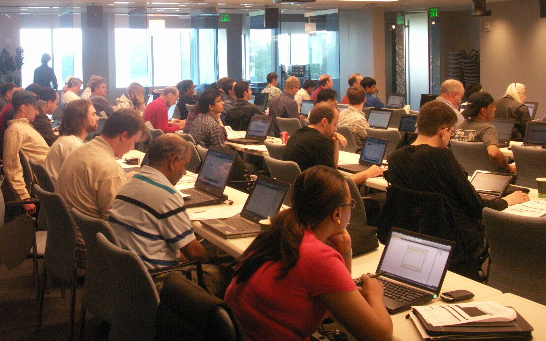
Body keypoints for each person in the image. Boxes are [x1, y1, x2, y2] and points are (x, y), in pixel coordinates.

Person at [225, 165, 393, 341]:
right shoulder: (319, 257)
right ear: (337, 213)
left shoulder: (279, 232)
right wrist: (375, 294)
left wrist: (345, 251)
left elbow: (338, 303)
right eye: (350, 204)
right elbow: (381, 336)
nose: (350, 209)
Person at [386, 100, 528, 278]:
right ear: (443, 131)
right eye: (451, 132)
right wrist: (506, 201)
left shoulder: (396, 158)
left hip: (408, 238)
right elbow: (475, 206)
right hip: (452, 241)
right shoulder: (441, 157)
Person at [108, 134, 207, 269]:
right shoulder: (167, 195)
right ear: (173, 161)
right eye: (185, 165)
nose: (184, 172)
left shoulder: (131, 182)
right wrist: (213, 260)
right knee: (220, 271)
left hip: (123, 271)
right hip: (155, 277)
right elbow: (194, 253)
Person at [56, 109, 145, 220]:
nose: (132, 148)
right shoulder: (111, 171)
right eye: (134, 142)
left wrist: (123, 178)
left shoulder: (80, 150)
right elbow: (117, 222)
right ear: (125, 135)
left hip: (66, 225)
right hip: (88, 230)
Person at [284, 102, 382, 184]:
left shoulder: (296, 135)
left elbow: (332, 170)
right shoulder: (321, 143)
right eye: (335, 124)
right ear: (324, 122)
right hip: (316, 198)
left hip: (297, 194)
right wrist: (366, 173)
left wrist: (334, 140)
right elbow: (335, 184)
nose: (335, 129)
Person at [2, 90, 50, 215]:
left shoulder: (24, 127)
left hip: (48, 176)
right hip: (46, 182)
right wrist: (24, 197)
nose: (37, 112)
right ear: (23, 108)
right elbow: (11, 166)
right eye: (34, 108)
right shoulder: (15, 130)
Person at [454, 92, 515, 174]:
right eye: (493, 106)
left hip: (464, 175)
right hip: (487, 177)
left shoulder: (458, 126)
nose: (495, 109)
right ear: (483, 111)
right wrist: (509, 168)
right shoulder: (487, 129)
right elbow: (494, 153)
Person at [44, 99, 98, 183]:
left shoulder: (67, 140)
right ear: (81, 119)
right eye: (93, 115)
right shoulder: (73, 146)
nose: (97, 118)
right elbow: (83, 180)